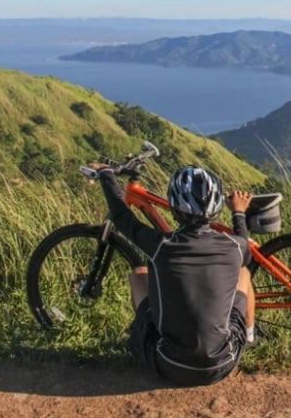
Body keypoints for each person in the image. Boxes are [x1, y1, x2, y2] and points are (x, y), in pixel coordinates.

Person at [88, 162, 256, 386]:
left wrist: (106, 174)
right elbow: (245, 246)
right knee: (243, 273)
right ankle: (250, 336)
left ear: (175, 207)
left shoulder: (160, 245)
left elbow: (121, 215)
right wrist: (238, 212)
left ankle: (142, 334)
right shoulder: (235, 247)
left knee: (139, 274)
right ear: (216, 208)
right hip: (222, 364)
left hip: (168, 365)